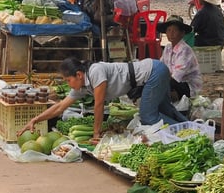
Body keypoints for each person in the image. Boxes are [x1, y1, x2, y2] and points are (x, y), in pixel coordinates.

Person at [21, 56, 186, 143]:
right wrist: (35, 119)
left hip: (154, 72)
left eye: (67, 80)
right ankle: (193, 129)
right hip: (155, 70)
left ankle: (186, 134)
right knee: (166, 110)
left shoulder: (95, 72)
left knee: (148, 116)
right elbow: (59, 107)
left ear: (78, 74)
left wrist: (96, 133)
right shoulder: (82, 86)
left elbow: (99, 104)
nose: (68, 84)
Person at [158, 15, 203, 99]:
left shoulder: (185, 50)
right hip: (173, 82)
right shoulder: (167, 48)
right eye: (169, 30)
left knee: (162, 89)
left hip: (188, 86)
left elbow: (176, 78)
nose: (171, 33)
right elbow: (160, 68)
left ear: (182, 33)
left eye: (175, 30)